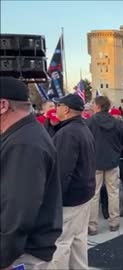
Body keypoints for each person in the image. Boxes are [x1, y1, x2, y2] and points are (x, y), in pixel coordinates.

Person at [0, 77, 62, 270]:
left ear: (3, 105)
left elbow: (18, 208)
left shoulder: (24, 143)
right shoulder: (22, 134)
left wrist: (3, 257)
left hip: (22, 253)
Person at [49, 94, 96, 269]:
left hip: (70, 198)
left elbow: (61, 170)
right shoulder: (82, 128)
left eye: (58, 105)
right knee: (78, 239)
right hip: (84, 193)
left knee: (61, 243)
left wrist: (54, 199)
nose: (56, 108)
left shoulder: (67, 133)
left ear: (66, 109)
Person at [87, 96, 123, 235]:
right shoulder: (117, 122)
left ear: (97, 106)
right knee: (113, 193)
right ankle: (114, 222)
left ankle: (92, 226)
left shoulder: (90, 122)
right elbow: (122, 139)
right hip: (112, 161)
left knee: (94, 195)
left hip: (95, 161)